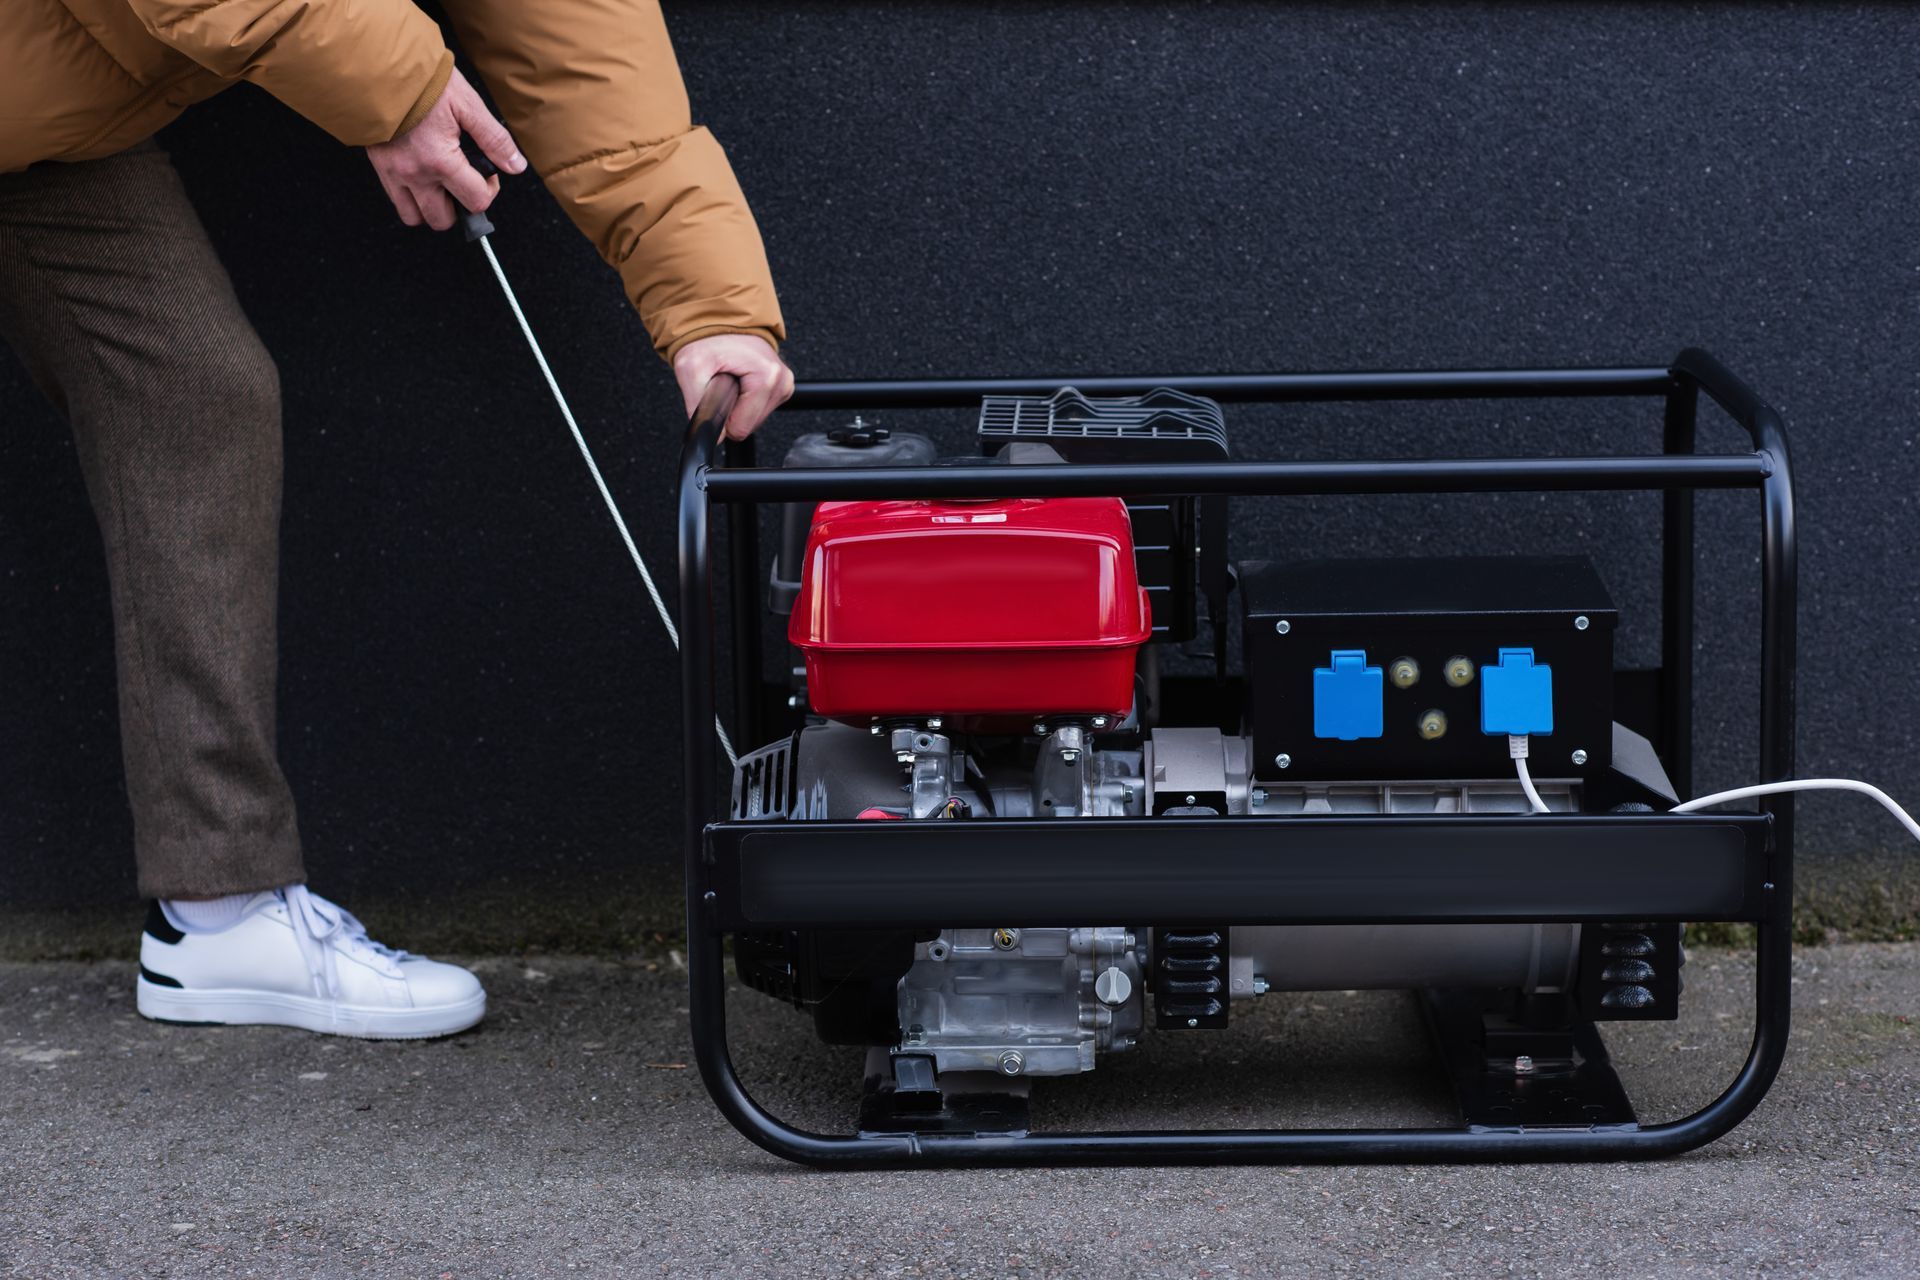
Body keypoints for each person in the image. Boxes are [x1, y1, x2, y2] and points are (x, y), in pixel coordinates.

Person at [0, 0, 792, 1038]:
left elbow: (581, 51)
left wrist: (710, 306)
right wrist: (395, 88)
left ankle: (219, 911)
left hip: (51, 117)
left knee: (195, 391)